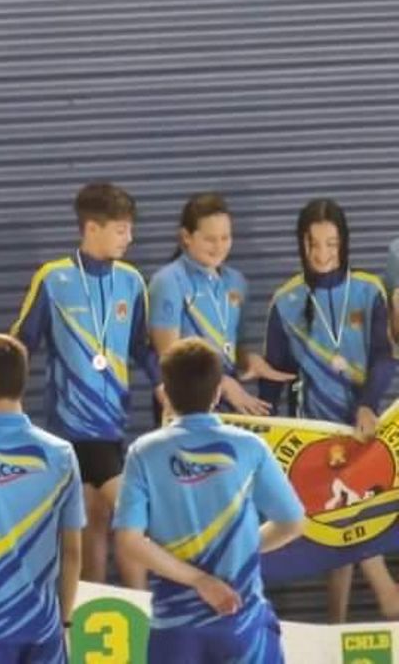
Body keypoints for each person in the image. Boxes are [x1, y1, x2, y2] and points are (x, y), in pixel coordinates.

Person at [113, 338, 307, 662]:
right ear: (218, 391)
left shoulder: (143, 452)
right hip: (241, 620)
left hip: (175, 627)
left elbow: (129, 541)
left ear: (166, 392)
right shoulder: (250, 446)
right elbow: (293, 522)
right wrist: (242, 545)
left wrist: (198, 580)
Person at [258, 198, 399, 622]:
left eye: (331, 244)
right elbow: (275, 377)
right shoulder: (285, 302)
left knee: (348, 529)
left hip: (367, 432)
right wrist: (263, 434)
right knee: (344, 525)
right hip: (315, 438)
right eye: (313, 243)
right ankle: (386, 598)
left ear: (344, 243)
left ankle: (338, 624)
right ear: (301, 244)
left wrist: (368, 406)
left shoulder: (368, 289)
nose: (322, 254)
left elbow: (382, 357)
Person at [12, 182, 156, 587]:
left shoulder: (131, 281)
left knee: (95, 523)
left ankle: (85, 623)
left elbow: (143, 348)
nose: (130, 238)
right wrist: (4, 402)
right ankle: (145, 611)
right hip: (70, 430)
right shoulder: (54, 279)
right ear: (92, 228)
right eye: (121, 229)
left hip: (112, 428)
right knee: (135, 517)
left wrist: (165, 386)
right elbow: (21, 343)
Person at [0, 335, 84, 664]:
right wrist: (63, 621)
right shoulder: (61, 455)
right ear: (25, 380)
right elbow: (72, 553)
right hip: (39, 630)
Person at [148, 192, 288, 416]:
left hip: (225, 401)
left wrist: (250, 361)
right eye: (210, 239)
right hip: (183, 403)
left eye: (225, 238)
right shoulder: (168, 282)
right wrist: (222, 382)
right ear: (186, 236)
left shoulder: (237, 282)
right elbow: (169, 360)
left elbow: (235, 346)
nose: (219, 246)